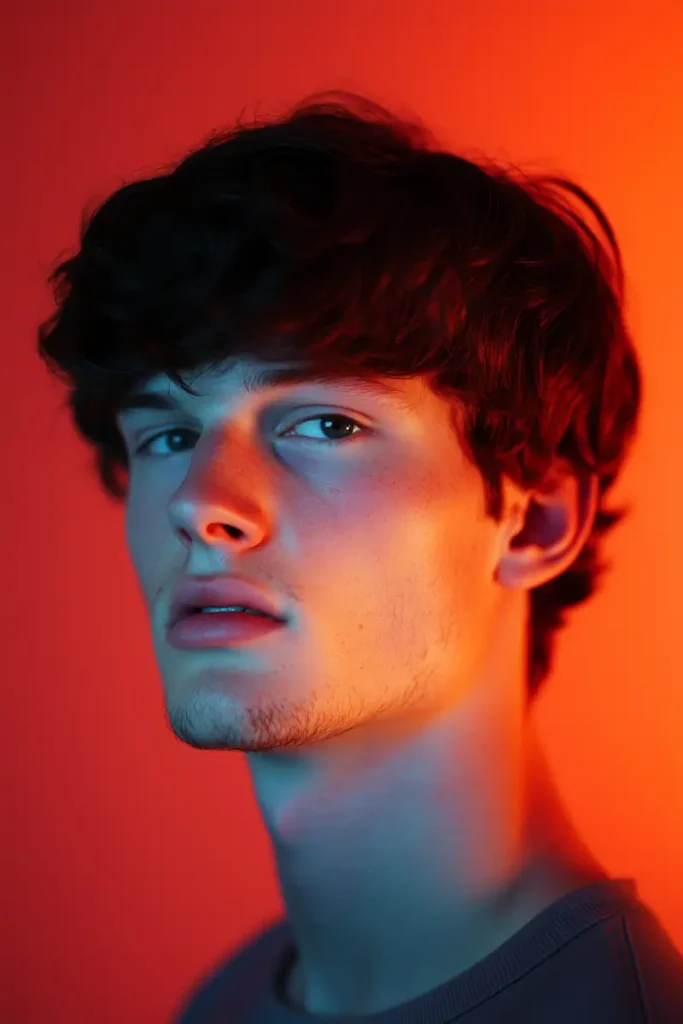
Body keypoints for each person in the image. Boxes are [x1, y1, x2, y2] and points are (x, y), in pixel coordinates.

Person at [37, 90, 683, 1022]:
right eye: (170, 435)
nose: (200, 503)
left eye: (327, 424)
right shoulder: (220, 1004)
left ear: (534, 520)